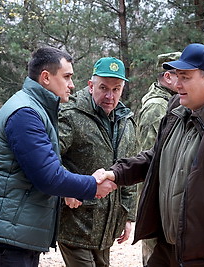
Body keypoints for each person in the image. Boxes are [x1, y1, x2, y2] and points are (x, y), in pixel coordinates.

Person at [103, 43, 204, 266]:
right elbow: (155, 158)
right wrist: (117, 173)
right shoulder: (177, 114)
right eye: (177, 76)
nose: (177, 85)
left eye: (185, 77)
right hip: (165, 251)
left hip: (203, 258)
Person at [0, 47, 117, 267]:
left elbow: (44, 167)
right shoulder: (26, 114)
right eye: (67, 77)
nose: (72, 85)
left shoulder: (34, 108)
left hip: (12, 230)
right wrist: (91, 185)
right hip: (7, 235)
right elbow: (48, 177)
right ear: (46, 77)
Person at [57, 57, 137, 267]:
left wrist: (128, 215)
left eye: (116, 89)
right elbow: (48, 157)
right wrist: (67, 188)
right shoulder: (70, 114)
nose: (110, 96)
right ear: (91, 86)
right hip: (76, 222)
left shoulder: (125, 120)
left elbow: (129, 168)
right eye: (103, 88)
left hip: (107, 226)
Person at [135, 51, 181, 267]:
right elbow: (151, 160)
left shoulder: (172, 102)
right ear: (168, 77)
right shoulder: (157, 107)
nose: (185, 81)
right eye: (182, 75)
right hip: (157, 203)